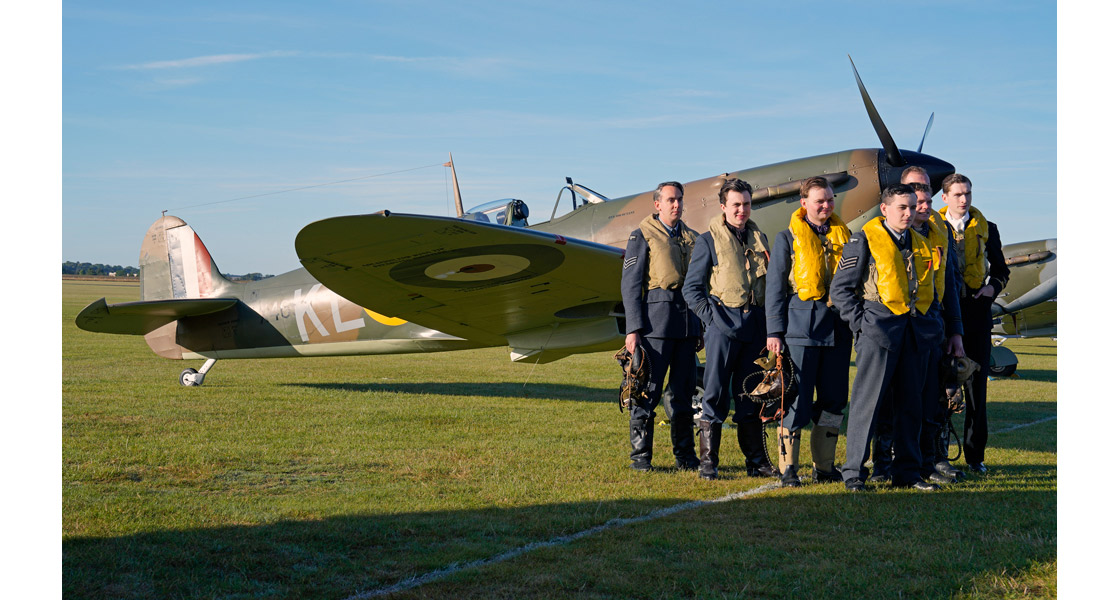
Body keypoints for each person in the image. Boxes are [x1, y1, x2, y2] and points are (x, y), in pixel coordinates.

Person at [830, 184, 943, 491]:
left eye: (911, 207)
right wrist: (861, 324)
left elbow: (931, 288)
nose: (909, 213)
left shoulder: (920, 242)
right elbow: (840, 290)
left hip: (915, 333)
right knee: (868, 405)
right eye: (901, 208)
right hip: (878, 332)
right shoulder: (863, 240)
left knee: (911, 406)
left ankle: (908, 472)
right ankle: (853, 473)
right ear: (885, 209)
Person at [763, 176, 852, 487]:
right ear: (804, 204)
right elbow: (774, 289)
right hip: (801, 331)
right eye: (819, 201)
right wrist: (774, 331)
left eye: (829, 200)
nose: (826, 205)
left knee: (834, 400)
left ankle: (824, 466)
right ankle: (788, 469)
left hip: (839, 331)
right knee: (795, 401)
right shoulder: (786, 239)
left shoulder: (847, 237)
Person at [683, 178, 773, 481]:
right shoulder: (708, 240)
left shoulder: (759, 238)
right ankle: (708, 463)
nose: (742, 210)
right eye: (736, 205)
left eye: (746, 204)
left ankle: (756, 462)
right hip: (723, 327)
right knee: (715, 395)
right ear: (724, 207)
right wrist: (711, 318)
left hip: (755, 328)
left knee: (750, 395)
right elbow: (692, 289)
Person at [621, 181, 703, 471]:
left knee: (683, 394)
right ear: (657, 204)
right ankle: (641, 459)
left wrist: (700, 326)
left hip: (687, 326)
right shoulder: (641, 235)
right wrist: (633, 330)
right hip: (655, 327)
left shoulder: (693, 237)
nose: (676, 205)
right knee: (647, 392)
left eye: (679, 199)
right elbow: (630, 286)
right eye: (670, 200)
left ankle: (686, 457)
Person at [939, 173, 1009, 475]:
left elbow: (1002, 269)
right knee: (938, 384)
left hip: (976, 311)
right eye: (957, 194)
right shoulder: (931, 225)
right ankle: (936, 451)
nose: (964, 199)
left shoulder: (987, 228)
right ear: (945, 198)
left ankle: (975, 455)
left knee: (976, 387)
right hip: (941, 311)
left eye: (967, 193)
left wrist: (992, 288)